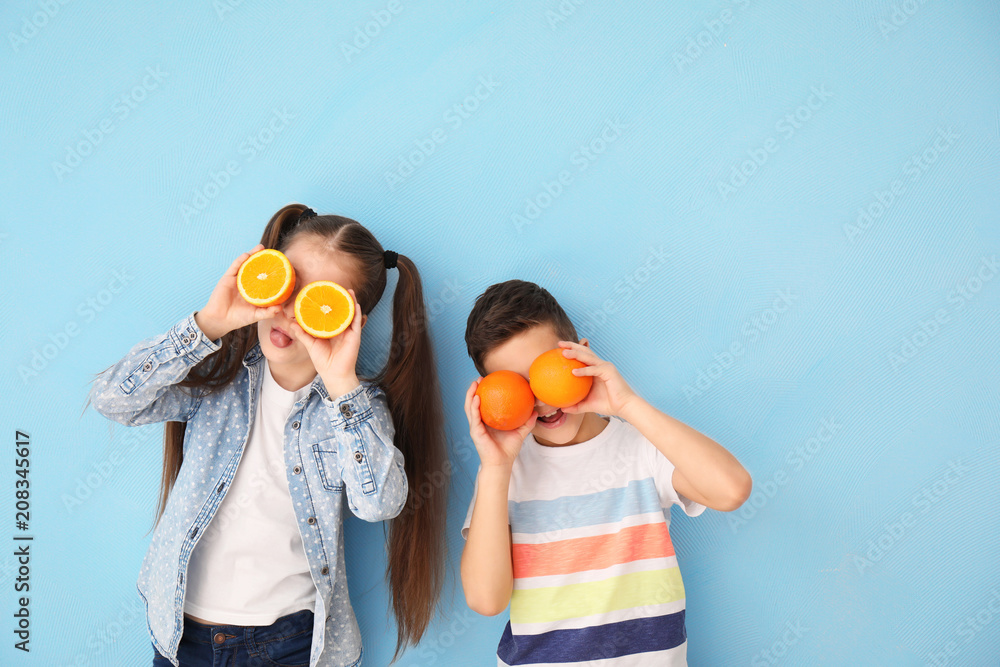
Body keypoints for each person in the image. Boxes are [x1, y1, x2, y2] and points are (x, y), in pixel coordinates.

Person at [86, 204, 448, 667]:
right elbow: (112, 399)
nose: (290, 314)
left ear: (348, 319)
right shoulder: (216, 381)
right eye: (288, 284)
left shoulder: (354, 409)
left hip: (291, 644)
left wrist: (341, 384)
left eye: (319, 301)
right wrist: (207, 325)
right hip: (180, 638)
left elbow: (379, 503)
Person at [459, 279, 752, 666]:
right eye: (517, 385)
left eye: (547, 371)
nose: (541, 398)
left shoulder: (641, 448)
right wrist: (496, 469)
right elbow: (486, 599)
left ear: (581, 354)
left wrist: (627, 404)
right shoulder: (502, 473)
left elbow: (731, 490)